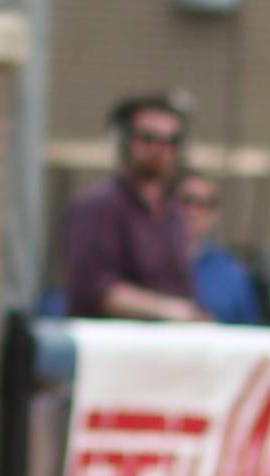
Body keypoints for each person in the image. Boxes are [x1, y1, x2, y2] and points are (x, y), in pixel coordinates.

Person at [61, 96, 201, 322]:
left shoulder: (172, 212)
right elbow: (95, 288)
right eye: (148, 138)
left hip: (166, 348)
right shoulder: (99, 207)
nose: (159, 148)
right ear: (125, 141)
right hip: (111, 347)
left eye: (171, 140)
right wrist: (167, 309)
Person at [176, 170, 263, 327]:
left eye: (206, 204)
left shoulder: (233, 273)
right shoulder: (143, 259)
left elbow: (249, 334)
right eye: (187, 201)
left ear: (216, 214)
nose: (194, 211)